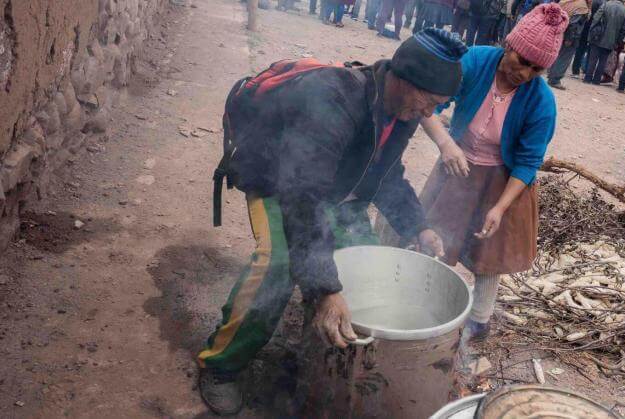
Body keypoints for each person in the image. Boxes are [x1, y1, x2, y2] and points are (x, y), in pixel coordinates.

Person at [200, 29, 466, 415]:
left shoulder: (402, 112)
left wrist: (418, 226)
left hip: (329, 186)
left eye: (438, 107)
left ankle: (322, 349)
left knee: (365, 257)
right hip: (276, 179)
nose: (430, 114)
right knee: (277, 265)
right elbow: (302, 195)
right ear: (405, 78)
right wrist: (324, 287)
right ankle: (221, 364)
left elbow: (387, 175)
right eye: (430, 101)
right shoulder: (335, 97)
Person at [417, 4, 567, 340]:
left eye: (536, 69)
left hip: (505, 178)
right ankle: (428, 306)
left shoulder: (541, 101)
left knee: (490, 253)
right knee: (438, 235)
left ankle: (479, 322)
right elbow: (426, 105)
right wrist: (446, 144)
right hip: (457, 164)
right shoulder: (473, 61)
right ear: (509, 45)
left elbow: (528, 161)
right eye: (522, 61)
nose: (525, 73)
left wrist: (500, 207)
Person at [547, 0, 591, 89]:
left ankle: (551, 74)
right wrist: (570, 38)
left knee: (557, 55)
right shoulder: (582, 7)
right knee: (564, 57)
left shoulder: (567, 1)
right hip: (569, 35)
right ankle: (555, 80)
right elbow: (574, 25)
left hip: (559, 31)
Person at [584, 0, 625, 84]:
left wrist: (591, 32)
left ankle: (588, 78)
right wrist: (618, 41)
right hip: (611, 40)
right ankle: (596, 80)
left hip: (598, 36)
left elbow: (595, 19)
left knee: (592, 59)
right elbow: (624, 30)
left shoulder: (605, 5)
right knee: (603, 61)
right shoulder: (624, 12)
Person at [570, 0, 605, 78]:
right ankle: (585, 70)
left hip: (584, 28)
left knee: (580, 49)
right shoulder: (601, 3)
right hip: (593, 30)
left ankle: (576, 70)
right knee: (589, 51)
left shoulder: (590, 2)